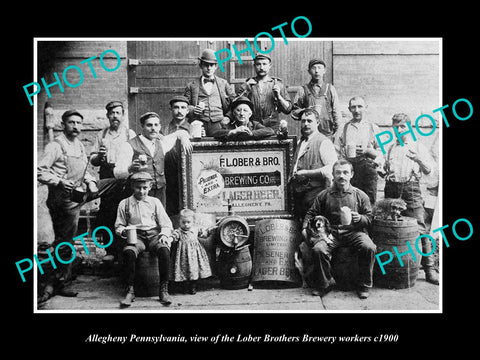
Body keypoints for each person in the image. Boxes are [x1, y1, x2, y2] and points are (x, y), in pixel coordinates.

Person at [37, 109, 98, 303]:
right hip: (62, 200)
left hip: (77, 195)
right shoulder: (55, 146)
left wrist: (90, 181)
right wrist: (59, 181)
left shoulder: (79, 145)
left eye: (79, 123)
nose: (76, 126)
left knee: (112, 183)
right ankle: (57, 283)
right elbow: (39, 172)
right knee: (65, 242)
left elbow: (84, 169)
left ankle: (58, 279)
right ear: (63, 125)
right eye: (71, 122)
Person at [303, 159, 376, 299]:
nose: (341, 176)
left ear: (351, 175)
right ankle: (325, 284)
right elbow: (311, 213)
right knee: (319, 249)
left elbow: (370, 218)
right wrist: (305, 227)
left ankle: (364, 285)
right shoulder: (324, 195)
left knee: (369, 247)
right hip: (332, 234)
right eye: (338, 173)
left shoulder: (360, 195)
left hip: (354, 232)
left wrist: (360, 219)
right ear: (333, 175)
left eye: (345, 172)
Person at [383, 113, 439, 285]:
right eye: (396, 127)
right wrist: (384, 170)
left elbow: (430, 171)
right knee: (391, 228)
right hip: (392, 190)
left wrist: (419, 160)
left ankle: (429, 269)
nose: (399, 130)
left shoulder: (417, 146)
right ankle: (392, 268)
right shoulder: (391, 148)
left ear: (409, 127)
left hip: (411, 190)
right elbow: (386, 169)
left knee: (420, 228)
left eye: (403, 127)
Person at [115, 172, 174, 307]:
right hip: (137, 236)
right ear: (132, 187)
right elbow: (118, 225)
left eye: (145, 188)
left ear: (150, 187)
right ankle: (130, 290)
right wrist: (124, 231)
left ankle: (163, 290)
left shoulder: (155, 202)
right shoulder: (125, 204)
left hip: (154, 235)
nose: (142, 191)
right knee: (129, 252)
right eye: (138, 187)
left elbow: (166, 223)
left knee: (164, 250)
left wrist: (164, 234)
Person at [113, 111, 192, 208]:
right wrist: (130, 169)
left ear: (159, 127)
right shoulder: (129, 145)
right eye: (149, 125)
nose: (153, 128)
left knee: (159, 220)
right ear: (142, 126)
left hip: (160, 193)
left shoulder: (162, 144)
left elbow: (179, 133)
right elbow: (117, 173)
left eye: (156, 125)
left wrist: (184, 138)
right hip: (139, 194)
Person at [90, 101, 136, 262]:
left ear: (123, 115)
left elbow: (136, 155)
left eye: (118, 113)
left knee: (125, 210)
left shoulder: (130, 134)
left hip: (125, 175)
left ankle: (125, 249)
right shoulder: (102, 134)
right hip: (107, 172)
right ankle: (110, 251)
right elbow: (93, 160)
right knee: (107, 212)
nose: (115, 116)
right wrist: (100, 156)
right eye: (112, 113)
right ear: (107, 116)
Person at [289, 108, 338, 222]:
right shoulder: (300, 142)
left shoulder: (324, 142)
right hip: (299, 194)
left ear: (318, 123)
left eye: (309, 121)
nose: (306, 124)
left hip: (316, 195)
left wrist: (307, 173)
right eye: (303, 121)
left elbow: (332, 168)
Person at [336, 96, 383, 205]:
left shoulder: (374, 128)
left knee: (368, 205)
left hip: (368, 174)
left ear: (366, 108)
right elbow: (336, 151)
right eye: (353, 107)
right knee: (347, 203)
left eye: (360, 106)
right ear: (349, 109)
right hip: (349, 172)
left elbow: (382, 154)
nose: (356, 110)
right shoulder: (342, 128)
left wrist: (367, 151)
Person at [184, 48, 236, 136]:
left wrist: (228, 117)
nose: (209, 68)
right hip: (199, 124)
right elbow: (184, 105)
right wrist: (193, 110)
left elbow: (234, 103)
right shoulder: (191, 85)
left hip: (220, 124)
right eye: (206, 65)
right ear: (201, 65)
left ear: (216, 66)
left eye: (212, 65)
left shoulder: (223, 83)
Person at [236, 53, 292, 131]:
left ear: (270, 66)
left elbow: (288, 110)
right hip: (253, 127)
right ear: (254, 66)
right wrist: (246, 90)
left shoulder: (278, 84)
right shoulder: (247, 85)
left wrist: (279, 97)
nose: (261, 67)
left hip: (273, 127)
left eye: (264, 64)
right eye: (258, 64)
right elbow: (235, 107)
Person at [291, 59, 341, 139]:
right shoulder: (303, 89)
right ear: (309, 71)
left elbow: (337, 113)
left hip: (328, 133)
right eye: (313, 68)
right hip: (309, 134)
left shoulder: (330, 89)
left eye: (319, 68)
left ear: (324, 70)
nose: (316, 71)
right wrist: (305, 110)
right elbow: (294, 113)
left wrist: (337, 134)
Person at [170, 208, 213, 294]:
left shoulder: (195, 230)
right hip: (183, 255)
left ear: (193, 222)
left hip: (194, 254)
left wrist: (209, 231)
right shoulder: (178, 231)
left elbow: (203, 235)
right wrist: (170, 238)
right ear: (180, 222)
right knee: (183, 270)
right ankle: (184, 286)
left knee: (194, 270)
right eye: (183, 222)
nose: (186, 225)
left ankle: (193, 286)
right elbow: (174, 237)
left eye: (188, 222)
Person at [164, 95, 192, 216]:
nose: (179, 111)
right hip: (170, 171)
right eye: (176, 107)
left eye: (183, 107)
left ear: (187, 110)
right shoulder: (164, 129)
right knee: (171, 204)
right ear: (171, 109)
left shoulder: (193, 128)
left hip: (189, 173)